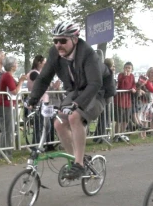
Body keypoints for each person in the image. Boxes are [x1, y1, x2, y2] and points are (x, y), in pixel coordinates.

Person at [26, 21, 105, 179]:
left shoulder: (88, 54)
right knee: (59, 123)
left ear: (75, 39)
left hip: (97, 91)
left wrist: (77, 104)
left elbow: (95, 83)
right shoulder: (55, 54)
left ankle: (79, 165)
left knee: (75, 116)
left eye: (63, 41)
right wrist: (32, 99)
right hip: (75, 90)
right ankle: (77, 159)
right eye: (55, 41)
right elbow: (43, 79)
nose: (58, 45)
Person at [0, 56, 27, 151]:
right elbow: (14, 91)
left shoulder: (8, 76)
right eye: (16, 63)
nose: (17, 65)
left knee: (8, 129)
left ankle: (4, 151)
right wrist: (21, 81)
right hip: (6, 105)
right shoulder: (7, 76)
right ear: (12, 66)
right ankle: (6, 151)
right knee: (8, 130)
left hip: (9, 104)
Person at [115, 62, 136, 134]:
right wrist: (125, 76)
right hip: (120, 100)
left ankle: (122, 133)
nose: (127, 69)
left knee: (126, 119)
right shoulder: (120, 75)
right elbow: (122, 86)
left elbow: (134, 84)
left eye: (129, 68)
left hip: (128, 100)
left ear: (131, 69)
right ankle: (117, 134)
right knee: (119, 120)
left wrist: (133, 88)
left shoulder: (132, 76)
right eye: (126, 67)